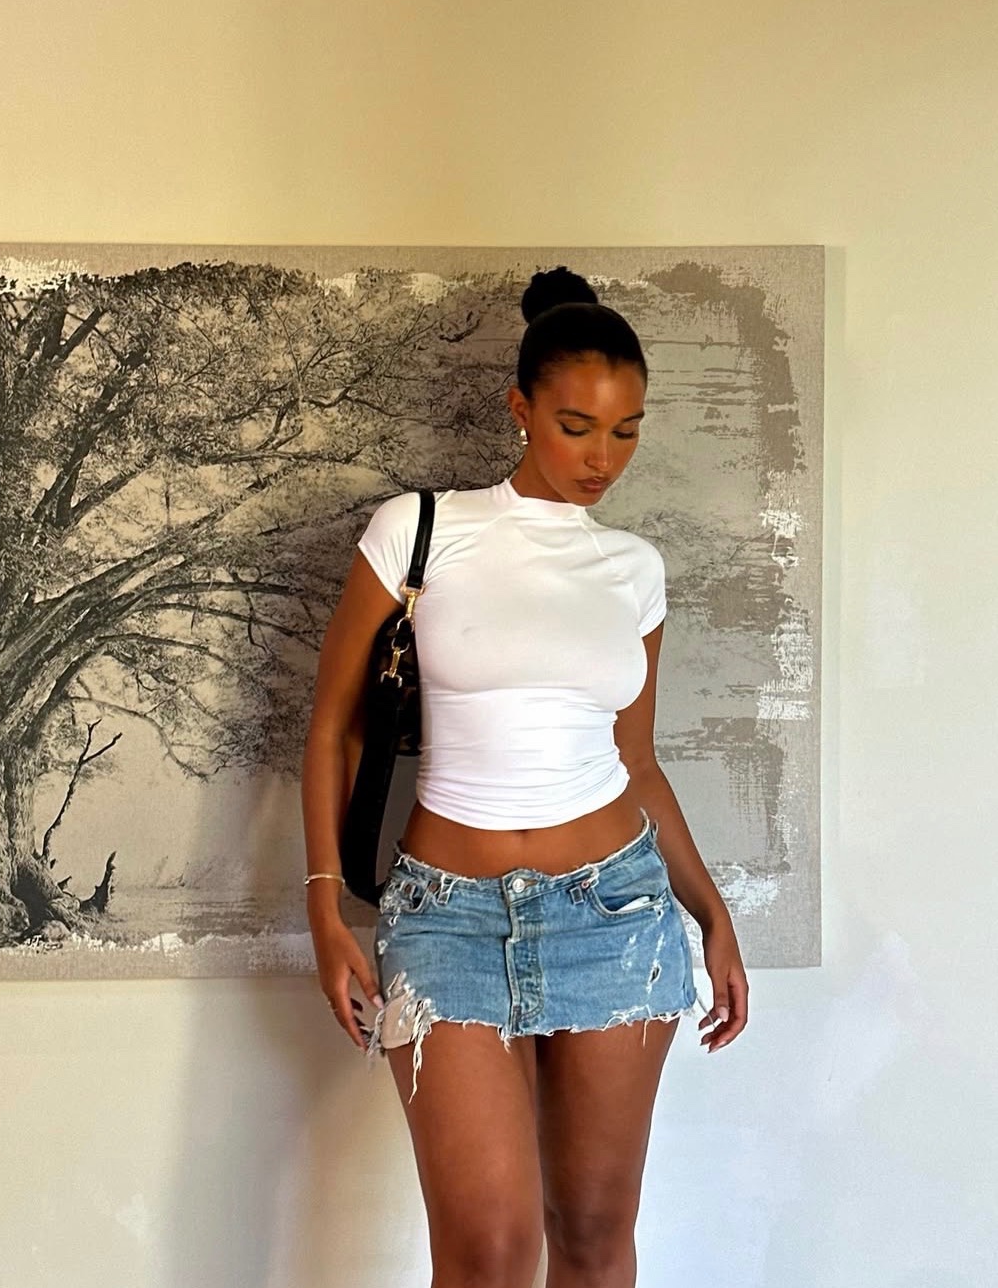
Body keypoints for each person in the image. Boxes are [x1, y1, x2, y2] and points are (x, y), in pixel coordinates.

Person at [301, 266, 748, 1288]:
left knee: (590, 1237)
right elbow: (332, 727)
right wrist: (325, 905)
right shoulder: (418, 530)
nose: (602, 457)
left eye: (626, 431)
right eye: (576, 426)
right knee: (488, 1253)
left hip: (615, 915)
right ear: (520, 408)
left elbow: (637, 760)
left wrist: (711, 911)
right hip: (446, 919)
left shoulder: (633, 570)